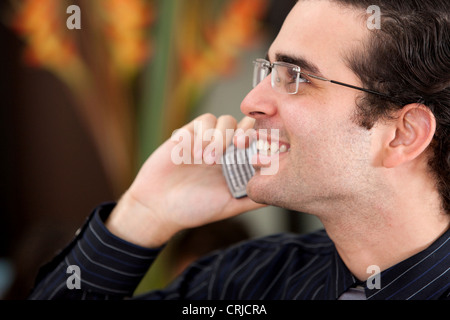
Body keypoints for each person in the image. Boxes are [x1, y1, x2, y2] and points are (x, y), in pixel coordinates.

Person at [29, 0, 449, 300]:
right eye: (269, 71)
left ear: (403, 134)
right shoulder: (246, 282)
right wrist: (143, 214)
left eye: (295, 76)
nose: (251, 102)